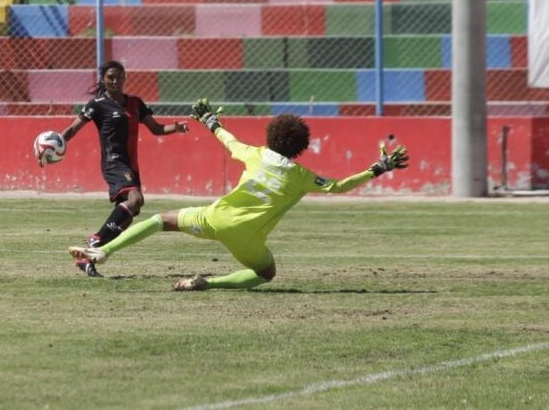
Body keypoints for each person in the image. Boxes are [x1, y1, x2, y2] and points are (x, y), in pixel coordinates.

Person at [70, 99, 410, 291]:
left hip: (215, 218)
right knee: (266, 273)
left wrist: (211, 121)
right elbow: (339, 186)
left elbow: (228, 140)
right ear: (299, 148)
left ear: (273, 136)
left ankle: (105, 251)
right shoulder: (303, 176)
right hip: (246, 240)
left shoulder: (256, 153)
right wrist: (377, 169)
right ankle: (210, 283)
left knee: (161, 220)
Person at [54, 60, 189, 277]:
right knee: (136, 200)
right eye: (110, 77)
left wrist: (176, 127)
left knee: (124, 221)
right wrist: (55, 143)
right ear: (103, 80)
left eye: (119, 76)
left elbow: (155, 128)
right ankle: (95, 239)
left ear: (126, 77)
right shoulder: (97, 104)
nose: (115, 81)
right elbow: (73, 128)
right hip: (114, 163)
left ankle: (86, 259)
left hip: (131, 166)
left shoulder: (135, 103)